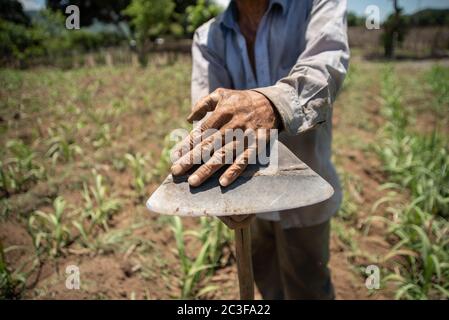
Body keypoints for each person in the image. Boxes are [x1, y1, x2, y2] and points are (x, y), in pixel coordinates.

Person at [171, 0, 349, 299]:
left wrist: (271, 104)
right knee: (266, 283)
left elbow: (325, 70)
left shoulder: (316, 5)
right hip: (244, 193)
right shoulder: (208, 38)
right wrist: (216, 187)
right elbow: (209, 124)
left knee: (309, 284)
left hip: (305, 193)